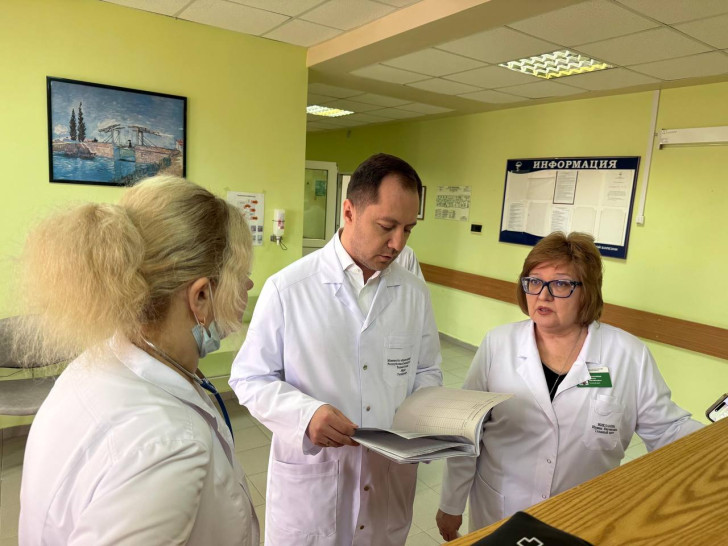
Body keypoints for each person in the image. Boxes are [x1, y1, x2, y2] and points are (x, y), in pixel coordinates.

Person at [17, 176, 259, 545]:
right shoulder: (168, 447)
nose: (248, 286)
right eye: (241, 276)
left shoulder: (98, 363)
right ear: (200, 297)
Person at [229, 153, 443, 545]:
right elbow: (250, 377)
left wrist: (427, 424)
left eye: (408, 229)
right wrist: (305, 415)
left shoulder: (414, 293)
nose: (398, 243)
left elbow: (427, 371)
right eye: (387, 226)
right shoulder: (289, 289)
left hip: (387, 481)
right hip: (314, 485)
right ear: (348, 211)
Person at [436, 231, 703, 541]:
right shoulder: (499, 344)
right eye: (534, 282)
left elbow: (668, 430)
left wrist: (717, 441)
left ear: (587, 292)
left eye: (561, 284)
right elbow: (467, 430)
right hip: (501, 509)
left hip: (583, 515)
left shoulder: (628, 354)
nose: (543, 295)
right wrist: (451, 502)